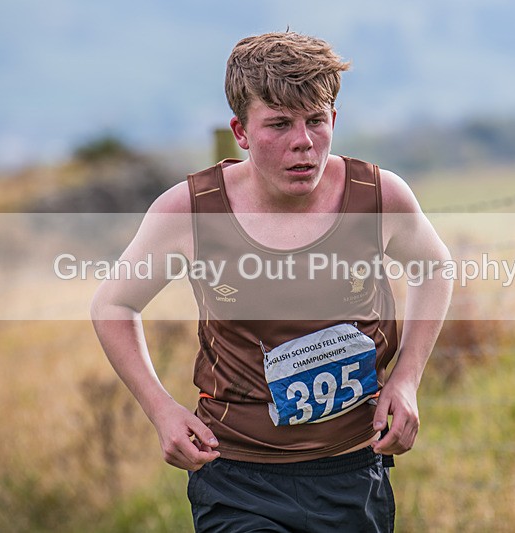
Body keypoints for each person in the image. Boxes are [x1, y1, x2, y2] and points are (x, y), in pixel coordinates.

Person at [91, 31, 452, 532]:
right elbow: (113, 305)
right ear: (240, 131)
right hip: (238, 477)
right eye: (279, 124)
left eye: (316, 121)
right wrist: (162, 410)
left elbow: (434, 268)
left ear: (334, 120)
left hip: (351, 469)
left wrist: (407, 378)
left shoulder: (378, 196)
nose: (302, 142)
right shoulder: (190, 210)